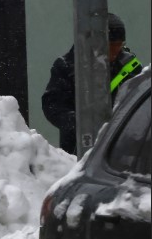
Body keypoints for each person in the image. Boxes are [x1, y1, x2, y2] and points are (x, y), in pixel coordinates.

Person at [42, 13, 143, 155]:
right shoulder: (66, 66)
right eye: (111, 46)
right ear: (97, 44)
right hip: (79, 149)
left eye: (120, 45)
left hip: (121, 148)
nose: (115, 51)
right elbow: (52, 105)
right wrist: (78, 122)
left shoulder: (130, 66)